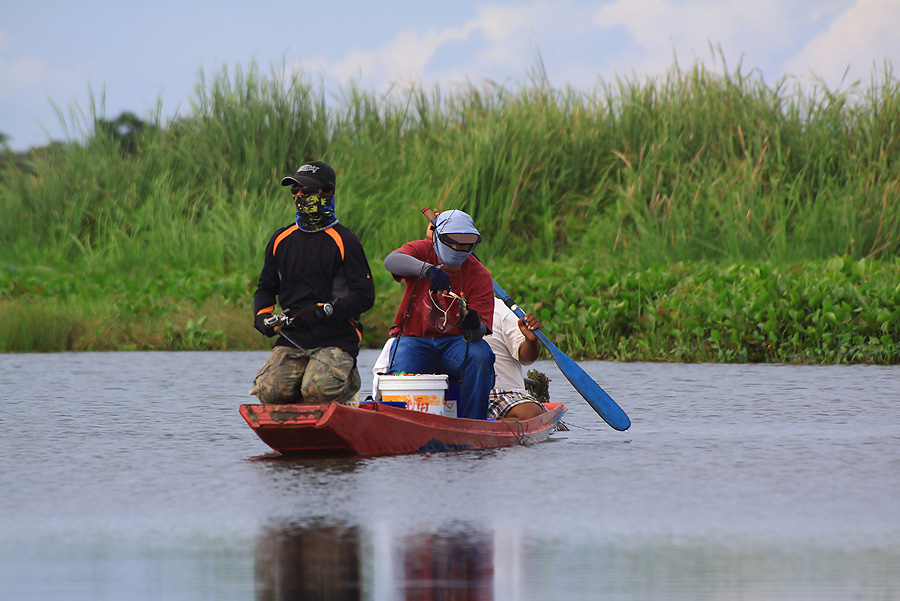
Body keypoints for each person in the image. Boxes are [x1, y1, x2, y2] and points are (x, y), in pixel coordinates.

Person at [250, 160, 375, 405]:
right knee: (268, 391)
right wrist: (262, 316)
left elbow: (365, 295)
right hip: (293, 336)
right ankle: (303, 394)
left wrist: (324, 310)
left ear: (327, 192)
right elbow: (265, 288)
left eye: (305, 191)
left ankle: (347, 388)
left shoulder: (345, 240)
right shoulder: (280, 239)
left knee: (317, 390)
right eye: (294, 191)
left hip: (337, 335)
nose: (298, 195)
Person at [382, 209, 495, 419]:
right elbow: (392, 260)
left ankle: (474, 423)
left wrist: (472, 322)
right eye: (452, 242)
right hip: (414, 339)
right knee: (403, 370)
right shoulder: (422, 250)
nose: (458, 248)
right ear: (437, 238)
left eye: (465, 244)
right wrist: (429, 270)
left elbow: (478, 334)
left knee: (480, 355)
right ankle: (401, 423)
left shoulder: (480, 275)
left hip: (455, 344)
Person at [485, 298, 548, 420]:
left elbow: (527, 358)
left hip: (503, 395)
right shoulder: (439, 309)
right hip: (451, 394)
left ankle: (490, 426)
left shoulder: (501, 309)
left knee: (529, 413)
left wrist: (531, 341)